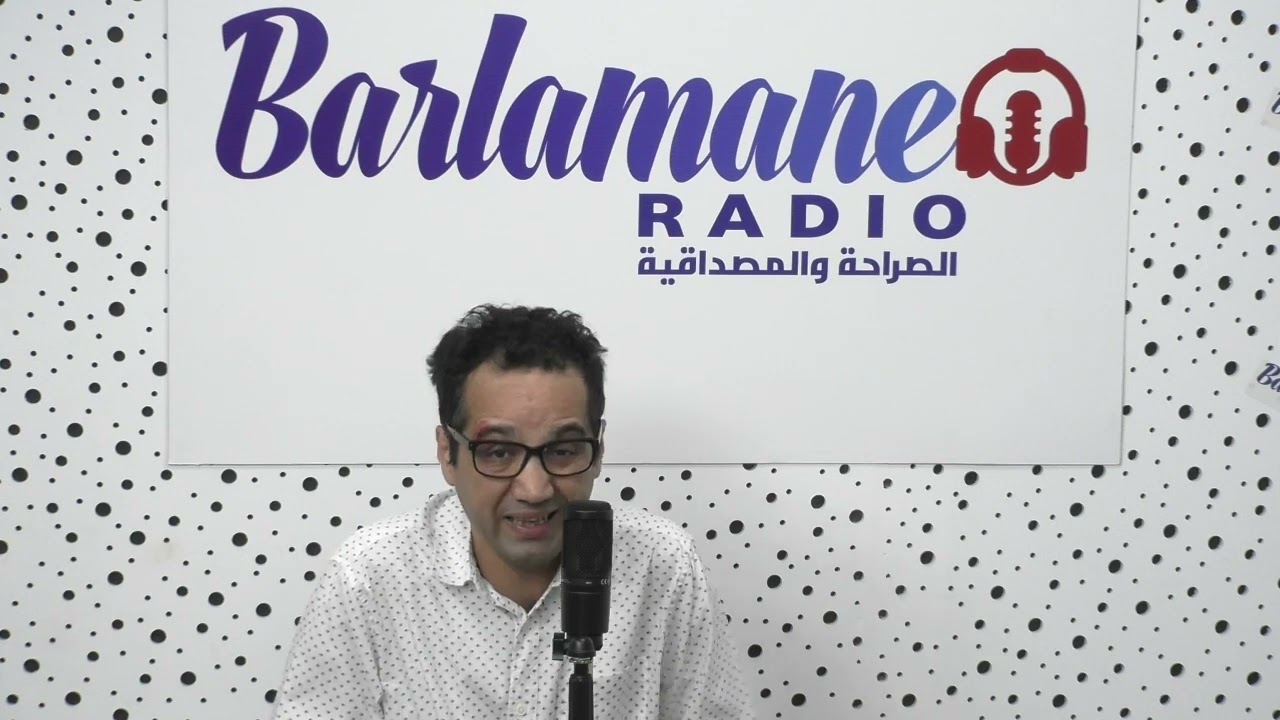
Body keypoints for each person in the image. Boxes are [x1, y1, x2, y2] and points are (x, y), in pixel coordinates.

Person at [271, 304, 755, 719]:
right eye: (499, 452)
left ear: (598, 450)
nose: (535, 488)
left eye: (563, 451)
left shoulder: (660, 564)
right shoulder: (370, 576)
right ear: (447, 453)